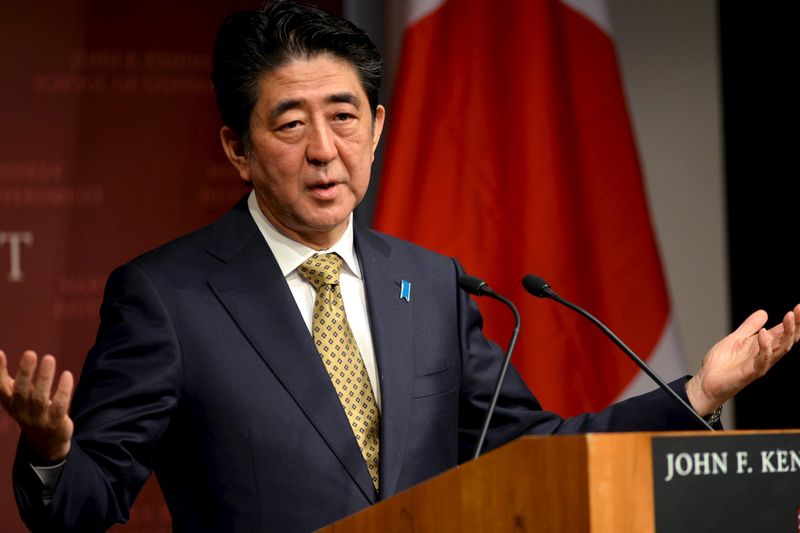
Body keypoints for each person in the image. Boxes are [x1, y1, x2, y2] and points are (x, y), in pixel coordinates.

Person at [1, 1, 798, 531]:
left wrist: (699, 391)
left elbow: (537, 450)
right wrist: (51, 452)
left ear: (377, 128)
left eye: (344, 116)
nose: (324, 149)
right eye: (290, 123)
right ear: (235, 149)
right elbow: (84, 501)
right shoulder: (166, 298)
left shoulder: (432, 282)